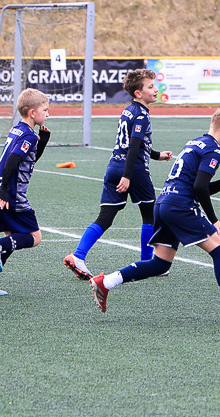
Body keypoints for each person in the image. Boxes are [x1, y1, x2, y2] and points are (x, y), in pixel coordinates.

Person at [90, 107, 220, 326]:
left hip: (163, 203)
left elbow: (197, 187)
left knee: (160, 264)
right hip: (180, 206)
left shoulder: (195, 143)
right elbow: (200, 187)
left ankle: (106, 282)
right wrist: (214, 219)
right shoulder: (214, 150)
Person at [64, 69, 173, 280]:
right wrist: (128, 175)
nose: (155, 89)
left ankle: (78, 256)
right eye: (150, 86)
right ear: (138, 93)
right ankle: (148, 263)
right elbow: (133, 146)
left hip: (113, 166)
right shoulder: (141, 114)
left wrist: (157, 155)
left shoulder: (128, 111)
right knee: (151, 215)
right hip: (133, 171)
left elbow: (135, 143)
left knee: (105, 217)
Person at [0, 88, 51, 296]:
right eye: (45, 109)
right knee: (34, 237)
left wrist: (42, 142)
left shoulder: (18, 129)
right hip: (10, 194)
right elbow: (13, 161)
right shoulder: (28, 136)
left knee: (12, 238)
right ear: (33, 113)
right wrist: (6, 192)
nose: (47, 114)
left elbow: (27, 160)